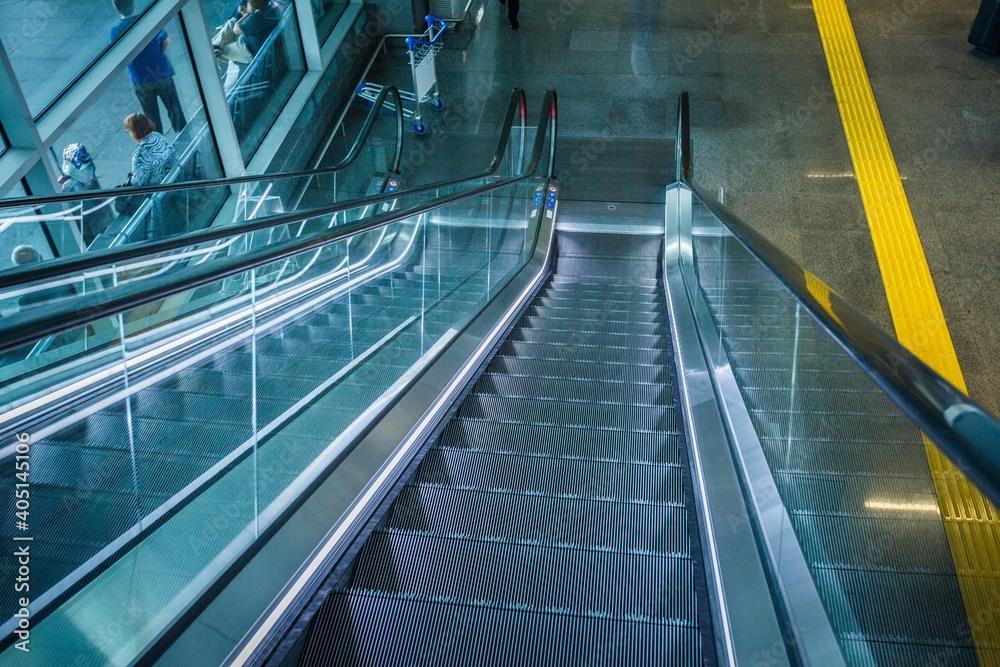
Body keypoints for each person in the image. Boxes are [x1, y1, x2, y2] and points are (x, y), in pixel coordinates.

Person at [110, 0, 187, 135]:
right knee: (175, 110)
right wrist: (158, 54)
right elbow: (167, 41)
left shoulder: (115, 32)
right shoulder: (148, 22)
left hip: (140, 78)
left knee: (151, 117)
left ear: (116, 9)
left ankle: (159, 145)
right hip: (161, 73)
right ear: (133, 4)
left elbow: (118, 57)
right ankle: (185, 138)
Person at [57, 144, 113, 246]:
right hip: (92, 233)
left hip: (105, 222)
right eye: (82, 170)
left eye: (87, 167)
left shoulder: (90, 176)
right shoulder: (66, 190)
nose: (87, 173)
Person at [212, 0, 281, 68]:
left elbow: (236, 30)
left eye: (248, 2)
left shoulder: (255, 18)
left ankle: (215, 50)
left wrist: (246, 14)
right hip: (254, 41)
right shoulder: (270, 8)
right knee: (232, 22)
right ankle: (216, 45)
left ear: (252, 6)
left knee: (217, 54)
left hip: (248, 50)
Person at [124, 113, 177, 188]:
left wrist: (130, 179)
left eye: (129, 131)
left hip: (159, 190)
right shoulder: (157, 136)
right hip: (174, 178)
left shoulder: (140, 155)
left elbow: (138, 183)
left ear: (134, 131)